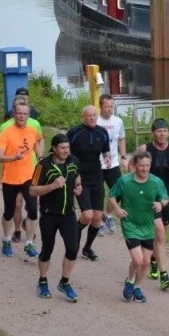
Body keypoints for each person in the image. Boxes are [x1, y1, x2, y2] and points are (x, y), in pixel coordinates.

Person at [107, 150, 167, 303]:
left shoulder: (156, 182)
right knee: (138, 260)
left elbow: (165, 198)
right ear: (135, 165)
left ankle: (137, 288)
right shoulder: (125, 181)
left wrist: (160, 204)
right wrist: (118, 209)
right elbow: (112, 195)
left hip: (148, 226)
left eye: (147, 165)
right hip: (130, 224)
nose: (144, 169)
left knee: (146, 262)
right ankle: (130, 280)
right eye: (141, 166)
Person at [29, 133, 83, 302]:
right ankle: (43, 280)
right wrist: (52, 186)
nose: (66, 151)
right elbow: (32, 190)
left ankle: (64, 282)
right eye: (62, 148)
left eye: (67, 147)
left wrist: (78, 187)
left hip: (68, 214)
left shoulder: (73, 161)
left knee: (73, 249)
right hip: (49, 215)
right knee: (47, 250)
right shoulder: (42, 166)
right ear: (53, 149)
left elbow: (77, 177)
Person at [136, 118, 169, 287]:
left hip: (167, 199)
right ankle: (164, 275)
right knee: (159, 235)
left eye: (165, 131)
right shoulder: (145, 149)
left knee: (162, 233)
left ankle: (153, 259)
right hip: (148, 200)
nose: (162, 134)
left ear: (168, 133)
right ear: (153, 133)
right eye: (159, 131)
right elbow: (131, 168)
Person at [0, 101, 44, 259]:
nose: (22, 116)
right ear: (14, 114)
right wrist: (13, 157)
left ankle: (29, 243)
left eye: (25, 114)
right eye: (19, 113)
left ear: (28, 116)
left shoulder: (32, 130)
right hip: (10, 177)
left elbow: (38, 141)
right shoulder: (6, 132)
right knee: (9, 211)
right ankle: (6, 239)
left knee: (33, 210)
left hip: (29, 176)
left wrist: (41, 157)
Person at [68, 105, 111, 262]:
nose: (92, 118)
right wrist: (72, 174)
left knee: (97, 217)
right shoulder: (75, 132)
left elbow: (106, 149)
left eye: (94, 115)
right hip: (80, 178)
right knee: (87, 215)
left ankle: (87, 249)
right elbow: (66, 153)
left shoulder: (102, 132)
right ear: (83, 117)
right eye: (89, 116)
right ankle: (74, 242)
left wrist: (107, 157)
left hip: (96, 176)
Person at [97, 94, 127, 234]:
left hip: (113, 163)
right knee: (98, 194)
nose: (109, 109)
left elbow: (121, 139)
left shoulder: (118, 121)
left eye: (111, 106)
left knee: (118, 192)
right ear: (100, 106)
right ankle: (96, 223)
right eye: (107, 106)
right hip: (96, 164)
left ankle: (107, 215)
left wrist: (124, 157)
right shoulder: (95, 121)